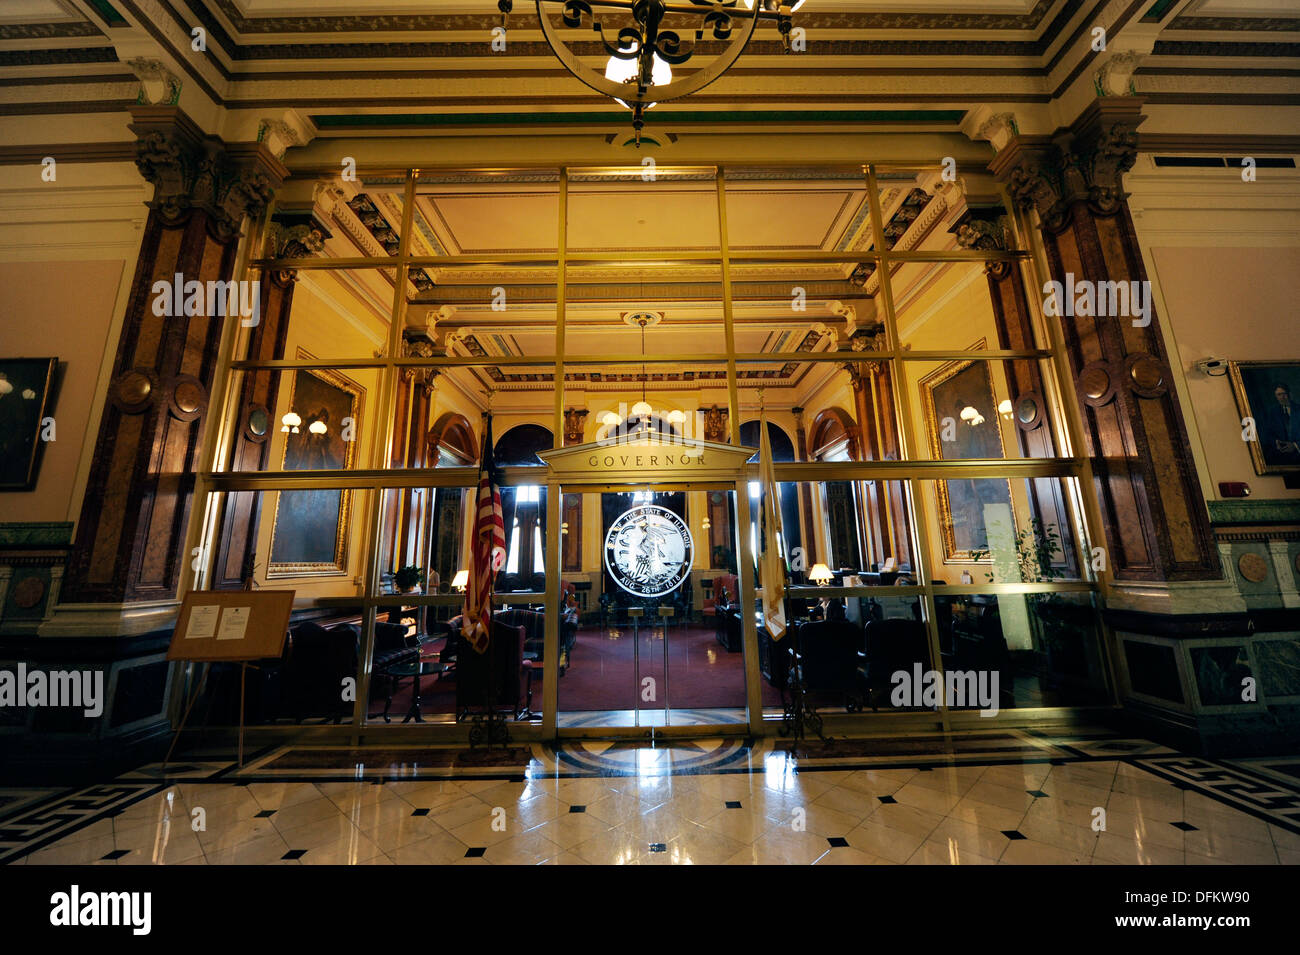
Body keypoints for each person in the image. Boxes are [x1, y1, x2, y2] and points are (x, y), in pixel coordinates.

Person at [1261, 382, 1300, 465]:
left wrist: (1295, 446)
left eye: (1284, 394)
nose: (1282, 397)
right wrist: (1276, 442)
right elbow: (1268, 434)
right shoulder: (1273, 412)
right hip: (1281, 456)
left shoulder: (1298, 409)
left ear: (1290, 394)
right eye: (1279, 395)